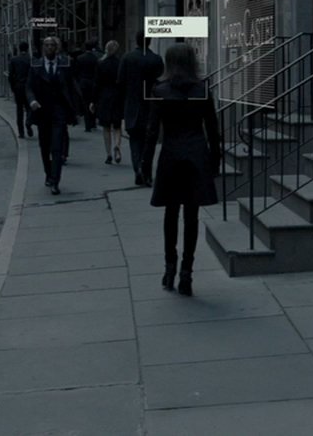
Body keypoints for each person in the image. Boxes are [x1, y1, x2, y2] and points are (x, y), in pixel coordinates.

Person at [140, 43, 221, 297]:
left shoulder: (159, 90)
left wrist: (145, 163)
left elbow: (152, 131)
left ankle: (169, 267)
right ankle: (187, 272)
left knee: (171, 213)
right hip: (196, 154)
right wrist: (215, 161)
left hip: (171, 155)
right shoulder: (202, 90)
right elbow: (213, 130)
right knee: (192, 215)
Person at [26, 36, 83, 195]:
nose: (50, 48)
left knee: (57, 147)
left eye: (53, 45)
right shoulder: (36, 65)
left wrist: (77, 108)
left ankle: (55, 181)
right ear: (43, 48)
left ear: (56, 48)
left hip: (59, 111)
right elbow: (29, 87)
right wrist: (32, 101)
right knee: (45, 146)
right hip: (42, 111)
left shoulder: (65, 64)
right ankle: (48, 174)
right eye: (47, 45)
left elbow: (72, 85)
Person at [119, 32, 164, 187]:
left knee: (134, 140)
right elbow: (160, 79)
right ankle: (147, 172)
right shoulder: (156, 59)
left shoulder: (127, 58)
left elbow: (121, 81)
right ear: (149, 41)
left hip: (132, 104)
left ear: (136, 41)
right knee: (149, 142)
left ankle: (138, 167)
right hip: (150, 105)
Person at [93, 40, 124, 165]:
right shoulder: (120, 63)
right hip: (117, 97)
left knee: (106, 127)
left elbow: (96, 83)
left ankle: (108, 154)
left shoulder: (101, 63)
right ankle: (117, 145)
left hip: (104, 97)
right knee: (117, 126)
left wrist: (93, 101)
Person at [9, 42, 34, 139]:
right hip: (29, 87)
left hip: (18, 87)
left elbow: (11, 76)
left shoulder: (14, 60)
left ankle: (21, 132)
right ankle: (28, 122)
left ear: (19, 49)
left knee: (19, 110)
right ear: (27, 49)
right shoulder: (31, 60)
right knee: (29, 107)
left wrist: (13, 88)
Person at [74, 40, 100, 133]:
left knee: (85, 103)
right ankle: (93, 123)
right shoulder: (95, 58)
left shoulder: (80, 58)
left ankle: (88, 125)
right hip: (93, 82)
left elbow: (76, 71)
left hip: (83, 82)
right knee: (93, 102)